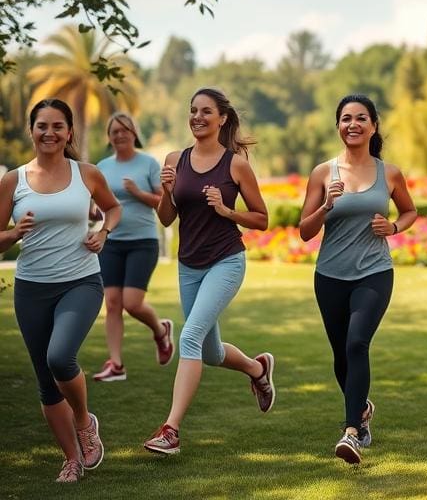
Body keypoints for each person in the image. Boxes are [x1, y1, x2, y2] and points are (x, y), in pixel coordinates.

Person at [143, 88, 274, 456]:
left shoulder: (235, 165)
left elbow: (262, 219)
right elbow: (167, 218)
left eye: (206, 111)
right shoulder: (175, 159)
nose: (197, 117)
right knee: (211, 352)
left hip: (226, 261)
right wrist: (166, 190)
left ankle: (171, 430)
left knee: (189, 338)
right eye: (193, 111)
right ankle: (257, 369)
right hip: (189, 266)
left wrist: (228, 211)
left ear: (222, 119)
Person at [0, 99, 122, 483]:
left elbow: (113, 209)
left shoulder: (86, 173)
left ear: (69, 132)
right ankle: (71, 459)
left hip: (80, 281)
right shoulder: (12, 181)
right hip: (32, 288)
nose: (49, 133)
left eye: (57, 126)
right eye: (41, 126)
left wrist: (103, 232)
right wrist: (13, 234)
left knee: (59, 357)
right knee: (44, 379)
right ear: (31, 130)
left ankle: (85, 422)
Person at [299, 94, 417, 465]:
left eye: (361, 118)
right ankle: (362, 408)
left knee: (356, 344)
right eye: (346, 118)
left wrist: (394, 225)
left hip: (374, 272)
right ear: (338, 126)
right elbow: (304, 231)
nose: (353, 124)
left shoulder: (389, 172)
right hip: (330, 275)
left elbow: (411, 210)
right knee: (340, 354)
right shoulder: (323, 173)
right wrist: (325, 206)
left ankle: (351, 431)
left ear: (373, 126)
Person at [93, 113, 175, 382]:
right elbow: (97, 204)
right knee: (113, 303)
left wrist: (138, 193)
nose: (119, 135)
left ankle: (160, 330)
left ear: (134, 133)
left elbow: (164, 203)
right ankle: (116, 364)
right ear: (109, 136)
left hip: (143, 241)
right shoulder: (102, 167)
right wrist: (94, 212)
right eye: (114, 131)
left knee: (132, 302)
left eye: (125, 130)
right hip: (112, 241)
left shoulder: (148, 163)